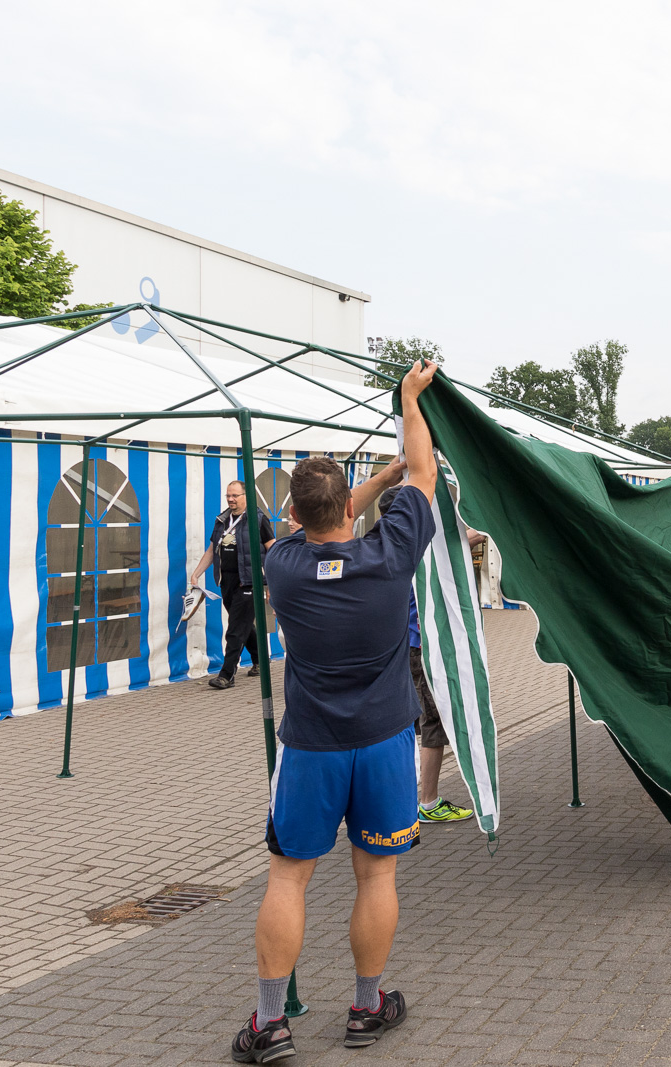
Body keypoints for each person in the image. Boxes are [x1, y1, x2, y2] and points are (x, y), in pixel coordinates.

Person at [230, 360, 438, 1063]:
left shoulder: (282, 564)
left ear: (293, 514)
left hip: (312, 744)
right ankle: (365, 1006)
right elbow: (423, 472)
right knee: (376, 874)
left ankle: (269, 1024)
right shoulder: (392, 556)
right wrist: (409, 399)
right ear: (350, 508)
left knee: (289, 874)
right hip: (382, 741)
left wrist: (355, 492)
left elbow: (323, 518)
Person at [377, 484, 484, 824]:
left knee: (406, 722)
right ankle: (427, 800)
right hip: (421, 646)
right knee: (433, 722)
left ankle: (402, 796)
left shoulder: (382, 546)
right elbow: (451, 548)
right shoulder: (412, 547)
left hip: (400, 645)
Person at [188, 480, 275, 689]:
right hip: (226, 581)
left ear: (246, 496)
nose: (230, 499)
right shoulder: (222, 520)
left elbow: (273, 551)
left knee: (235, 629)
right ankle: (260, 660)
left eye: (235, 495)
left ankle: (227, 675)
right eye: (228, 495)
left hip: (249, 582)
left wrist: (272, 583)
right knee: (243, 625)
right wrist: (196, 574)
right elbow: (212, 549)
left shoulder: (258, 519)